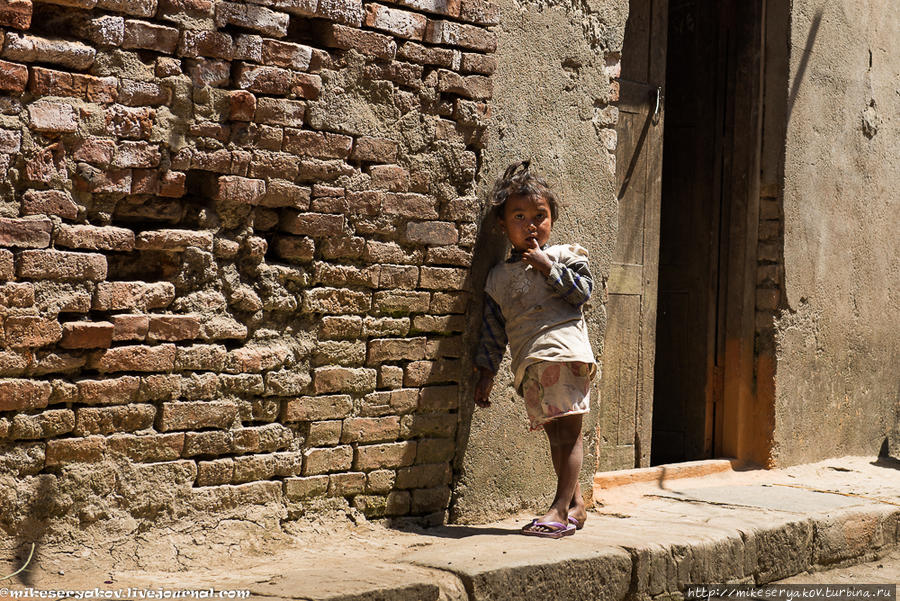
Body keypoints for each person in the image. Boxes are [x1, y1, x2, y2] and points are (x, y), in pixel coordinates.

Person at [473, 160, 597, 539]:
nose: (531, 225)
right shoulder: (498, 277)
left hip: (565, 354)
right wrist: (486, 373)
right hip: (531, 364)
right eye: (520, 216)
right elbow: (494, 331)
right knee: (555, 436)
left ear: (552, 219)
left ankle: (558, 511)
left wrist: (548, 268)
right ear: (501, 225)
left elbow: (583, 293)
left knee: (569, 433)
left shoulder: (565, 255)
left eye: (539, 216)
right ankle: (575, 504)